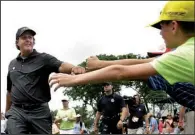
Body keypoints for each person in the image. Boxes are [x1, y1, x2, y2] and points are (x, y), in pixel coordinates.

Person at [49, 1, 194, 108]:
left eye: (162, 27)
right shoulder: (186, 50)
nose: (161, 33)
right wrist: (100, 65)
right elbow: (151, 61)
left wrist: (74, 80)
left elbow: (121, 72)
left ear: (174, 26)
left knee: (166, 80)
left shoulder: (184, 54)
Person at [5, 27, 85, 134]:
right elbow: (10, 91)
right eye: (24, 38)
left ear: (34, 41)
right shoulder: (12, 64)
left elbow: (61, 65)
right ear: (17, 43)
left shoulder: (44, 59)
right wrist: (7, 112)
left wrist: (73, 68)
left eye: (30, 37)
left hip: (39, 112)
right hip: (17, 111)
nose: (28, 40)